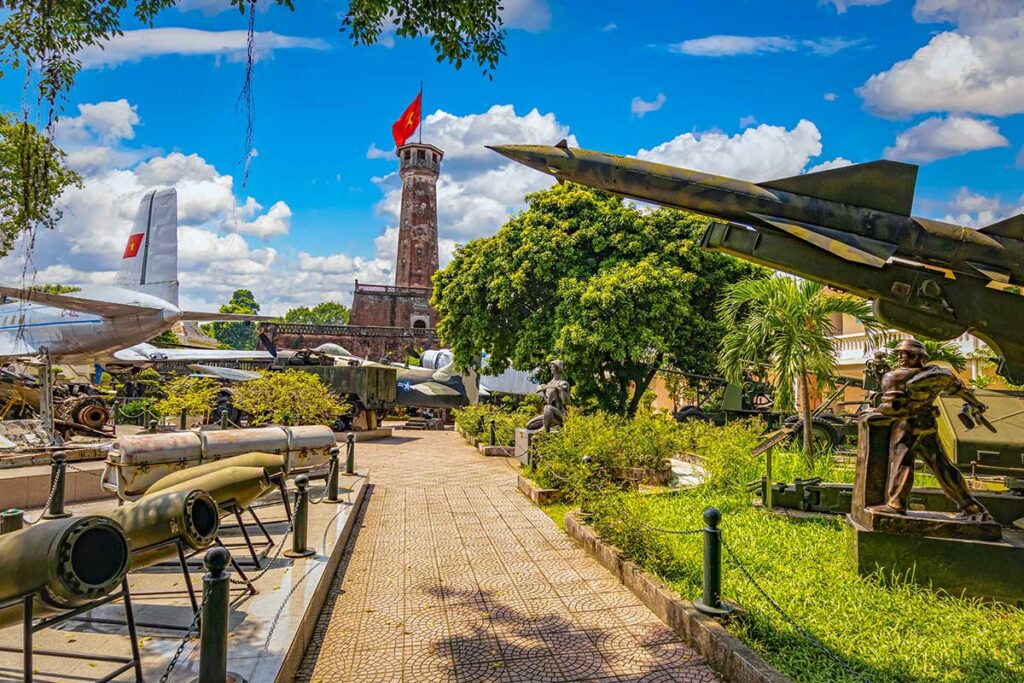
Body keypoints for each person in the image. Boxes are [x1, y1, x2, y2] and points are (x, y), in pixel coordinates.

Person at [866, 339, 991, 521]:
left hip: (907, 425)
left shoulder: (894, 377)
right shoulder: (937, 374)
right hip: (927, 423)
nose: (901, 356)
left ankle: (895, 504)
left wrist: (874, 412)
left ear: (918, 356)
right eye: (900, 353)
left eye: (906, 353)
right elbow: (959, 391)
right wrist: (977, 404)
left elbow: (893, 407)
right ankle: (971, 506)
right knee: (942, 465)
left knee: (901, 462)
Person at [525, 360, 570, 432]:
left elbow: (567, 402)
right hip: (549, 414)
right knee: (529, 425)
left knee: (547, 407)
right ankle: (550, 423)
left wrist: (562, 390)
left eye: (553, 367)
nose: (551, 368)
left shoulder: (563, 383)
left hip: (559, 414)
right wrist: (543, 392)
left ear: (558, 368)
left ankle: (546, 428)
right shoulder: (549, 383)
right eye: (551, 367)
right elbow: (548, 401)